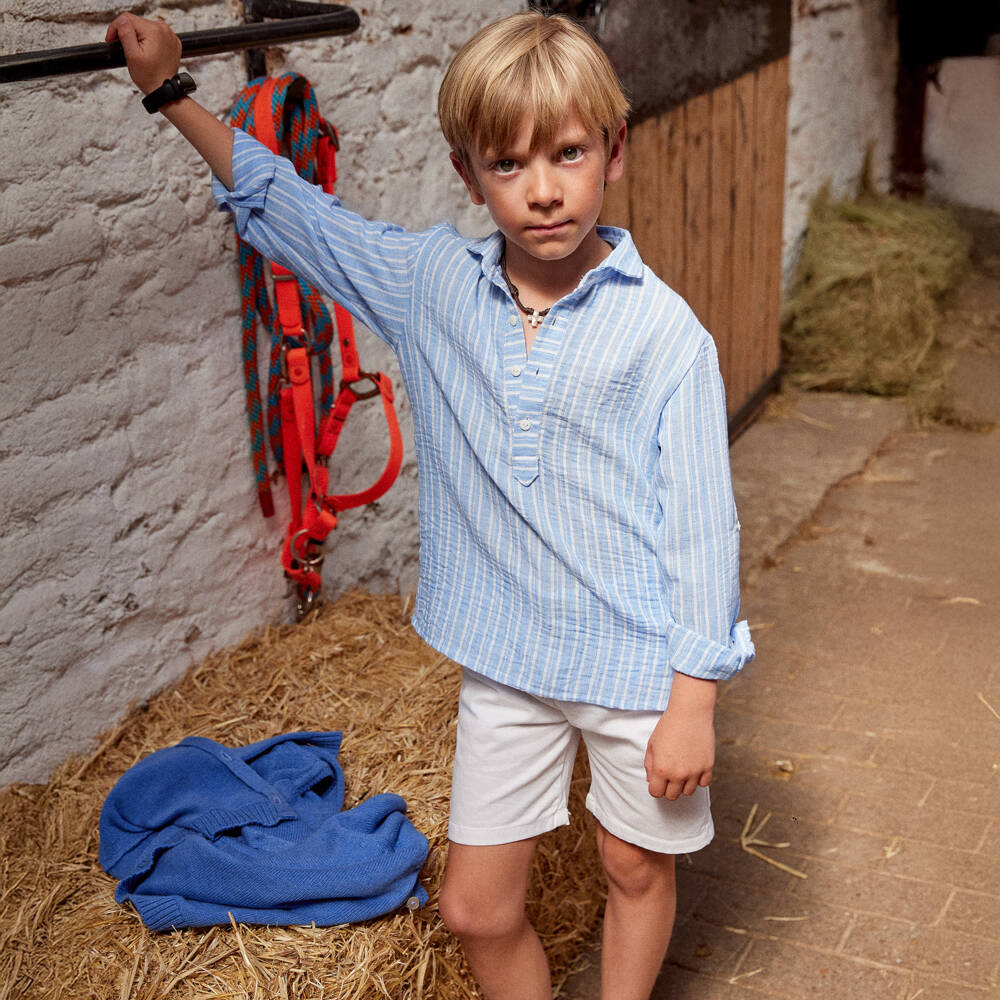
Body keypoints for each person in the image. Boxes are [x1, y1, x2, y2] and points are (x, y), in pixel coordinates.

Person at [105, 9, 754, 999]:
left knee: (632, 866)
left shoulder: (665, 336)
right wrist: (168, 93)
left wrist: (693, 700)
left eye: (568, 154)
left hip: (632, 658)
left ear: (612, 153)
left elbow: (703, 529)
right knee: (474, 909)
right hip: (505, 658)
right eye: (508, 164)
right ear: (468, 175)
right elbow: (291, 209)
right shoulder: (431, 287)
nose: (542, 190)